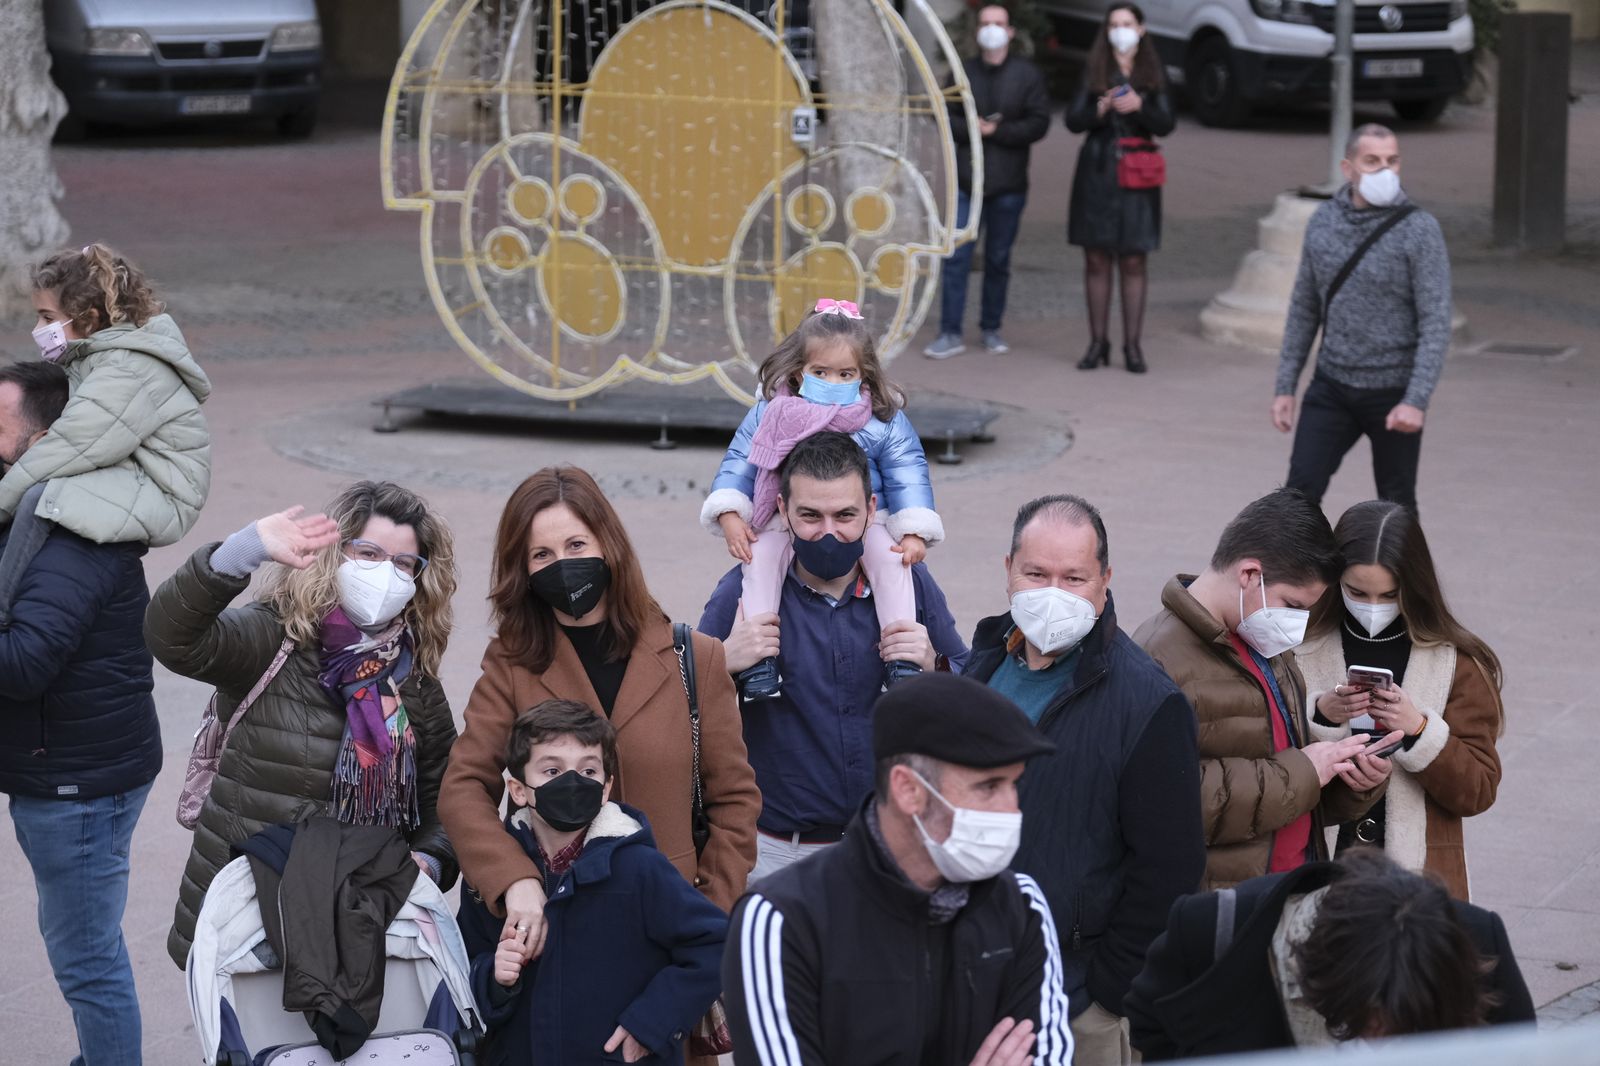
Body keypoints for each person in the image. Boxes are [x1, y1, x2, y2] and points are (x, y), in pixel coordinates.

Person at [439, 465, 759, 973]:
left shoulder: (695, 658)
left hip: (666, 937)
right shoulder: (512, 664)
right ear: (522, 569)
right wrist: (514, 878)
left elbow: (735, 803)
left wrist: (706, 922)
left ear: (608, 546)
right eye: (541, 554)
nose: (562, 564)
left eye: (575, 545)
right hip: (555, 935)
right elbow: (462, 787)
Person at [145, 482, 462, 966]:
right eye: (369, 553)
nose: (386, 573)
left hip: (352, 930)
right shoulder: (274, 636)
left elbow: (446, 802)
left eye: (403, 564)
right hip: (245, 918)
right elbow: (172, 637)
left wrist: (428, 862)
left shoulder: (415, 683)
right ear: (337, 553)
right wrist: (241, 551)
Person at [962, 495, 1205, 1064]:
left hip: (1075, 1003)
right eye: (1036, 574)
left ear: (1104, 581)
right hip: (970, 979)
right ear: (1007, 571)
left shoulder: (1149, 701)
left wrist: (1105, 994)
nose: (1053, 593)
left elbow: (1170, 867)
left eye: (1073, 578)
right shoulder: (983, 663)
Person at [723, 672, 1074, 1066]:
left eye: (1015, 785)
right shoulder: (781, 920)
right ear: (909, 790)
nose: (1012, 809)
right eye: (989, 787)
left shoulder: (1021, 905)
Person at [700, 432, 967, 883]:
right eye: (810, 515)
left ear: (871, 510)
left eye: (845, 515)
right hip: (776, 857)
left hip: (887, 846)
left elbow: (972, 677)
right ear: (782, 510)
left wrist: (934, 666)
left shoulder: (910, 582)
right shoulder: (741, 591)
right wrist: (721, 663)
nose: (828, 532)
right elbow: (677, 696)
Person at [0, 361, 160, 1066]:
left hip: (77, 785)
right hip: (76, 765)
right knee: (83, 944)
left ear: (41, 441)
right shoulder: (38, 512)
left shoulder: (73, 530)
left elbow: (24, 663)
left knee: (86, 958)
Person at [1132, 488, 1400, 889]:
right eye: (1293, 605)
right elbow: (1166, 798)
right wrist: (1304, 770)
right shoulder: (1158, 657)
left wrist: (1349, 781)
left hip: (1286, 889)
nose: (1297, 623)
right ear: (1249, 575)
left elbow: (1287, 785)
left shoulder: (1262, 638)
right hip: (1220, 910)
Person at [460, 700, 727, 1066]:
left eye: (588, 770)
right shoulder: (495, 878)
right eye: (552, 770)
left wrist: (650, 1024)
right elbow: (464, 965)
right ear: (518, 790)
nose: (572, 783)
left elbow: (716, 943)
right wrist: (495, 979)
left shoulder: (639, 868)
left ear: (605, 788)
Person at [702, 300, 943, 696]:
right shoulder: (773, 412)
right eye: (820, 372)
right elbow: (740, 461)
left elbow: (907, 471)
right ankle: (760, 659)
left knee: (892, 563)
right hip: (787, 516)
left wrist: (914, 528)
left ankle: (900, 656)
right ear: (799, 371)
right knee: (759, 561)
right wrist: (729, 511)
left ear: (863, 374)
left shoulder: (881, 417)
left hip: (867, 519)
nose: (832, 381)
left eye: (845, 373)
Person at [1123, 849, 1535, 1058]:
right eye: (1367, 1018)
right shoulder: (1213, 929)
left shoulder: (1479, 940)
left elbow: (1517, 1055)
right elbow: (1149, 1025)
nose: (1378, 1036)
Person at [1297, 500, 1503, 899]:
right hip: (1318, 858)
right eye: (1357, 591)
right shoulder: (1299, 646)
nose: (1372, 608)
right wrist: (1321, 715)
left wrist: (1419, 731)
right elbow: (1264, 753)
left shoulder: (1455, 662)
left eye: (1389, 594)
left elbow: (1478, 790)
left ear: (1415, 585)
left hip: (1417, 876)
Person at [1272, 124, 1452, 514]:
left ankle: (1408, 577)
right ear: (1348, 168)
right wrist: (1286, 386)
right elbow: (1305, 307)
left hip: (1393, 393)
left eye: (1392, 161)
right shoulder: (1323, 221)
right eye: (1372, 161)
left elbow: (1435, 322)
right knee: (1296, 497)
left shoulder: (1419, 229)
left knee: (1396, 503)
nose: (1384, 170)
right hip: (1332, 386)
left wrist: (1415, 400)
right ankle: (1298, 575)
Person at [0, 243, 211, 546]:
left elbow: (67, 448)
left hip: (163, 494)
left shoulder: (128, 370)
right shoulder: (100, 356)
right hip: (132, 471)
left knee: (40, 497)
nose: (38, 328)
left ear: (88, 318)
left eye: (47, 318)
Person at [924, 3, 1051, 359]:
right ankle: (949, 332)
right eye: (985, 23)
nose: (991, 29)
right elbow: (946, 116)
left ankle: (991, 328)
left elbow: (1039, 122)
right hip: (967, 183)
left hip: (1009, 185)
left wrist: (999, 131)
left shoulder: (1026, 75)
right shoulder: (962, 72)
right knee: (957, 257)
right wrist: (975, 132)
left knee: (997, 259)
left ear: (1010, 32)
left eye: (998, 23)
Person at [1065, 3, 1174, 375]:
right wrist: (1101, 107)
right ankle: (1098, 342)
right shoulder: (1093, 68)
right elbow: (1072, 121)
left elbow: (1167, 123)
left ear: (1141, 29)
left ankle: (1132, 346)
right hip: (1097, 173)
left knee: (1133, 259)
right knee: (1096, 258)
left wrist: (1140, 105)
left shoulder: (1153, 70)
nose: (1120, 30)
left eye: (1127, 24)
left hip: (1138, 177)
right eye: (1114, 24)